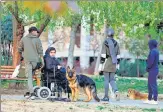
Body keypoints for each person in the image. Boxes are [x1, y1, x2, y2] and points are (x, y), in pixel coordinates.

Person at [18, 26, 44, 100]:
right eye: (36, 32)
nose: (37, 33)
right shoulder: (37, 40)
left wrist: (23, 56)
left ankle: (31, 93)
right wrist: (42, 61)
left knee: (29, 78)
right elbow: (40, 51)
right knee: (30, 78)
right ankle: (28, 93)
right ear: (32, 31)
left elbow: (19, 49)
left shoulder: (23, 39)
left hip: (28, 61)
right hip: (35, 62)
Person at [98, 28, 120, 101]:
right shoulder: (116, 43)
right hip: (114, 62)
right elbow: (118, 55)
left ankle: (106, 97)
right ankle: (116, 91)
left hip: (107, 62)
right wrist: (118, 65)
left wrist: (101, 65)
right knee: (112, 80)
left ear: (107, 34)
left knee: (106, 80)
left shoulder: (105, 42)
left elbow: (103, 55)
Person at [144, 39, 159, 105]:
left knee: (153, 85)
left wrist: (147, 67)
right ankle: (149, 99)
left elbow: (151, 62)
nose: (148, 46)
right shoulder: (156, 51)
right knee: (150, 85)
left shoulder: (153, 51)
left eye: (149, 44)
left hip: (152, 70)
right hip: (154, 69)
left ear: (151, 45)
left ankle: (155, 100)